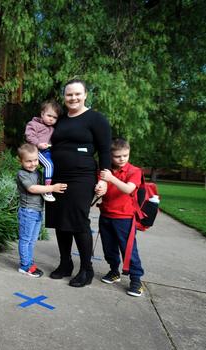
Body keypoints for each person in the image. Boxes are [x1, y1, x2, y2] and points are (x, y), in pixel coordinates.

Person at [45, 79, 112, 287]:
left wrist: (104, 180)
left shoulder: (96, 119)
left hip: (82, 178)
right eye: (69, 95)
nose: (73, 98)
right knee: (60, 221)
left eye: (77, 94)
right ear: (64, 97)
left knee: (78, 221)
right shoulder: (61, 120)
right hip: (58, 177)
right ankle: (65, 264)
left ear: (85, 95)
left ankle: (86, 269)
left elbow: (105, 151)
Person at [98, 138, 145, 297]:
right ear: (110, 156)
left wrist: (111, 178)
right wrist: (99, 188)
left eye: (125, 155)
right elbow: (101, 187)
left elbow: (128, 189)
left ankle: (136, 280)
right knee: (109, 247)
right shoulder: (106, 170)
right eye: (118, 156)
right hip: (106, 215)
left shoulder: (134, 171)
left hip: (124, 217)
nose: (122, 159)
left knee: (129, 250)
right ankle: (113, 271)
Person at [16, 143, 68, 277]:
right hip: (28, 211)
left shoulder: (38, 172)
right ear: (20, 161)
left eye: (35, 160)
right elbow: (32, 188)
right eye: (28, 161)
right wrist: (52, 188)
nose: (33, 164)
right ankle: (25, 266)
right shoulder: (22, 174)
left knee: (32, 240)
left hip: (37, 211)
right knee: (26, 239)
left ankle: (28, 261)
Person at [25, 100, 63, 202]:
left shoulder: (52, 129)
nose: (51, 119)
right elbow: (29, 136)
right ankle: (47, 190)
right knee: (49, 165)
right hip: (36, 151)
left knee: (55, 165)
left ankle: (48, 185)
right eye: (49, 116)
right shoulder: (33, 124)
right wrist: (38, 144)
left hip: (48, 151)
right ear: (42, 114)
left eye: (54, 117)